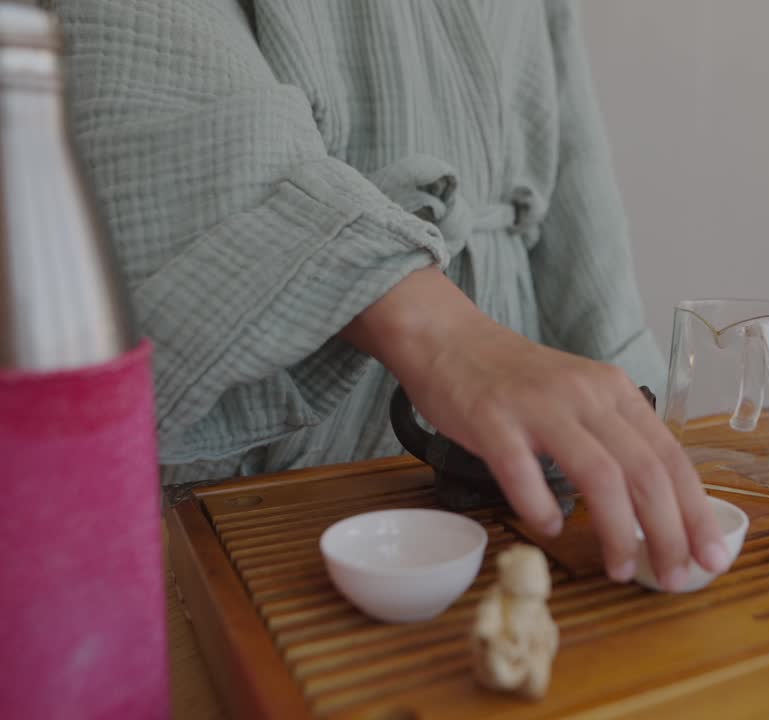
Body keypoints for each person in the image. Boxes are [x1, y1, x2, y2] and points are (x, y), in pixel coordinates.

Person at [45, 0, 727, 592]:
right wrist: (445, 336)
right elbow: (152, 78)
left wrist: (626, 390)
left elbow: (574, 157)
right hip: (301, 432)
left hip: (516, 402)